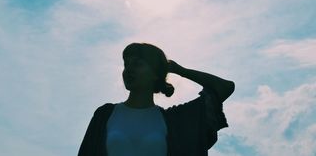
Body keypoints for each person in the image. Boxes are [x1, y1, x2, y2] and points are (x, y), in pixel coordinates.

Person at [78, 42, 235, 156]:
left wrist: (180, 70)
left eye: (138, 64)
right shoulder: (105, 114)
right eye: (126, 64)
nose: (129, 69)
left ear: (155, 74)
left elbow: (224, 87)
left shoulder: (173, 121)